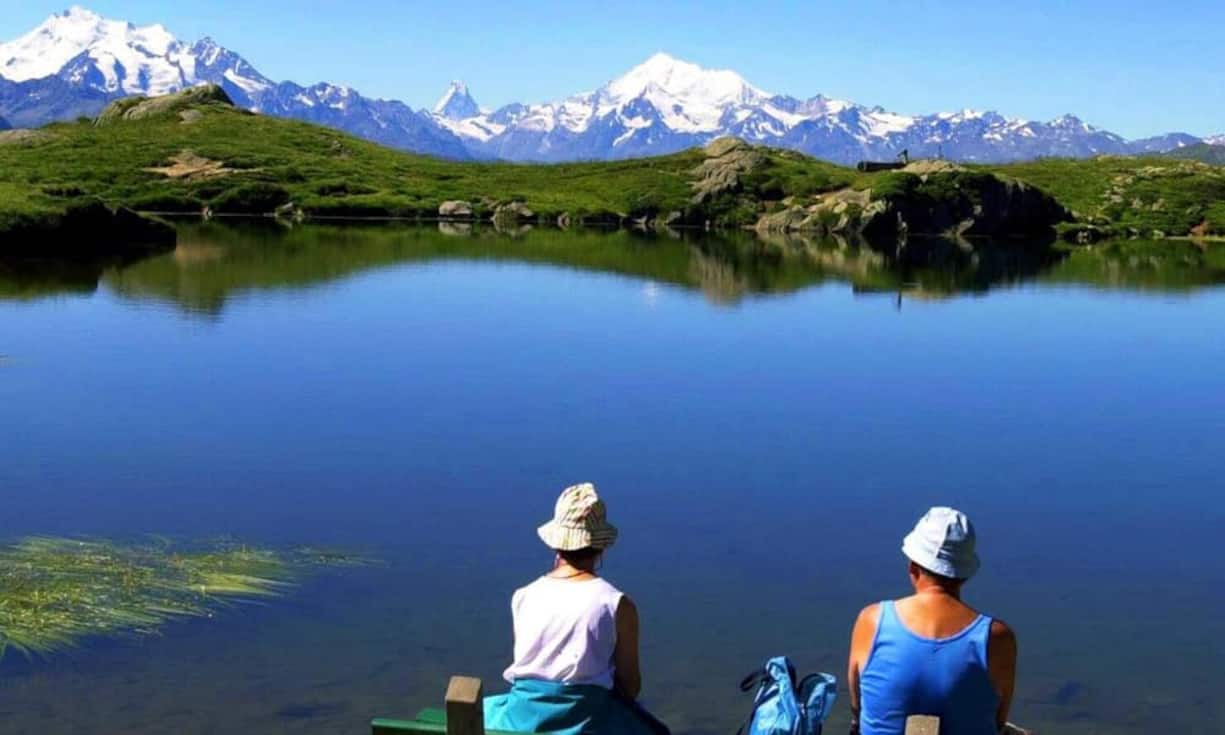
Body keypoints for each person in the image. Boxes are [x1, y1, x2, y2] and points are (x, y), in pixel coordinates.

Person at [484, 483, 669, 735]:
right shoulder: (615, 603)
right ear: (601, 547)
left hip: (523, 716)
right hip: (584, 719)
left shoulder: (524, 596)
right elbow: (630, 686)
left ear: (555, 544)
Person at [847, 507, 1018, 735]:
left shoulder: (871, 620)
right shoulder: (996, 637)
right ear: (964, 575)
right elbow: (999, 720)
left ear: (913, 567)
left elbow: (857, 707)